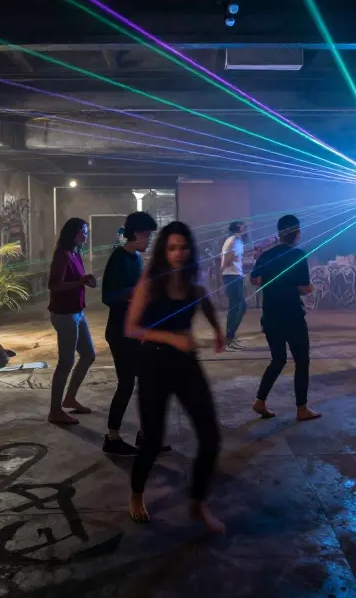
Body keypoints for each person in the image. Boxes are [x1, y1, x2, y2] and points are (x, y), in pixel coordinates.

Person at [125, 221, 227, 533]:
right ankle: (136, 493)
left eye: (183, 247)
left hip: (186, 363)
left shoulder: (192, 280)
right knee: (153, 440)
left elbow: (205, 301)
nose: (178, 253)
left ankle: (198, 502)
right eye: (172, 248)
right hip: (154, 364)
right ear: (163, 250)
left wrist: (217, 329)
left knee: (210, 435)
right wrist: (171, 338)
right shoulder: (150, 282)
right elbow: (131, 328)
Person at [100, 211, 167, 456]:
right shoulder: (118, 258)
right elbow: (108, 297)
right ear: (137, 234)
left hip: (136, 331)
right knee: (127, 384)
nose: (149, 241)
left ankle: (145, 435)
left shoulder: (136, 258)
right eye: (148, 235)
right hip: (120, 333)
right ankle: (112, 438)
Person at [250, 214, 321, 421]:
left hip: (270, 315)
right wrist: (306, 288)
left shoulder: (266, 255)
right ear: (297, 233)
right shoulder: (298, 255)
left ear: (279, 233)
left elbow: (255, 280)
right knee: (302, 360)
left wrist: (273, 281)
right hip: (292, 316)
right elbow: (304, 288)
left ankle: (260, 401)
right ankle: (302, 408)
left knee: (278, 359)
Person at [47, 217, 97, 425]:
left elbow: (76, 280)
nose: (86, 235)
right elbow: (54, 285)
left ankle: (69, 398)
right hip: (65, 314)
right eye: (83, 232)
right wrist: (79, 282)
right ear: (73, 234)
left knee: (88, 355)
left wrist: (85, 281)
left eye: (86, 232)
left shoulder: (76, 253)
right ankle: (55, 411)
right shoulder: (62, 255)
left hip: (77, 312)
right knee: (66, 362)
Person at [220, 221, 248, 350]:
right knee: (237, 307)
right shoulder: (235, 240)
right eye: (243, 226)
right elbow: (229, 257)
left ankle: (230, 337)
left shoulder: (233, 240)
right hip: (233, 276)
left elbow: (233, 256)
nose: (245, 228)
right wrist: (224, 268)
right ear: (238, 228)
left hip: (233, 275)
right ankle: (229, 339)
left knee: (237, 307)